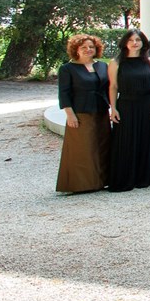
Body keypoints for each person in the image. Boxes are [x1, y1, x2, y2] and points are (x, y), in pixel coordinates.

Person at [107, 30, 150, 192]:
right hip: (126, 104)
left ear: (143, 42)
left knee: (147, 139)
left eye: (138, 40)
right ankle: (126, 178)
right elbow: (113, 86)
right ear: (125, 42)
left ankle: (145, 176)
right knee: (126, 140)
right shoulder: (116, 62)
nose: (134, 43)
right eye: (131, 40)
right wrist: (113, 108)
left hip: (147, 104)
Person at [56, 34, 111, 193]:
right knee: (84, 147)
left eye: (91, 47)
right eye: (84, 47)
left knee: (102, 145)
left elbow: (108, 88)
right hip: (81, 112)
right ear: (76, 50)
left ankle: (102, 181)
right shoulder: (67, 69)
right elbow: (64, 93)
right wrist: (70, 114)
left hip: (101, 111)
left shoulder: (102, 66)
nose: (88, 50)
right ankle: (83, 184)